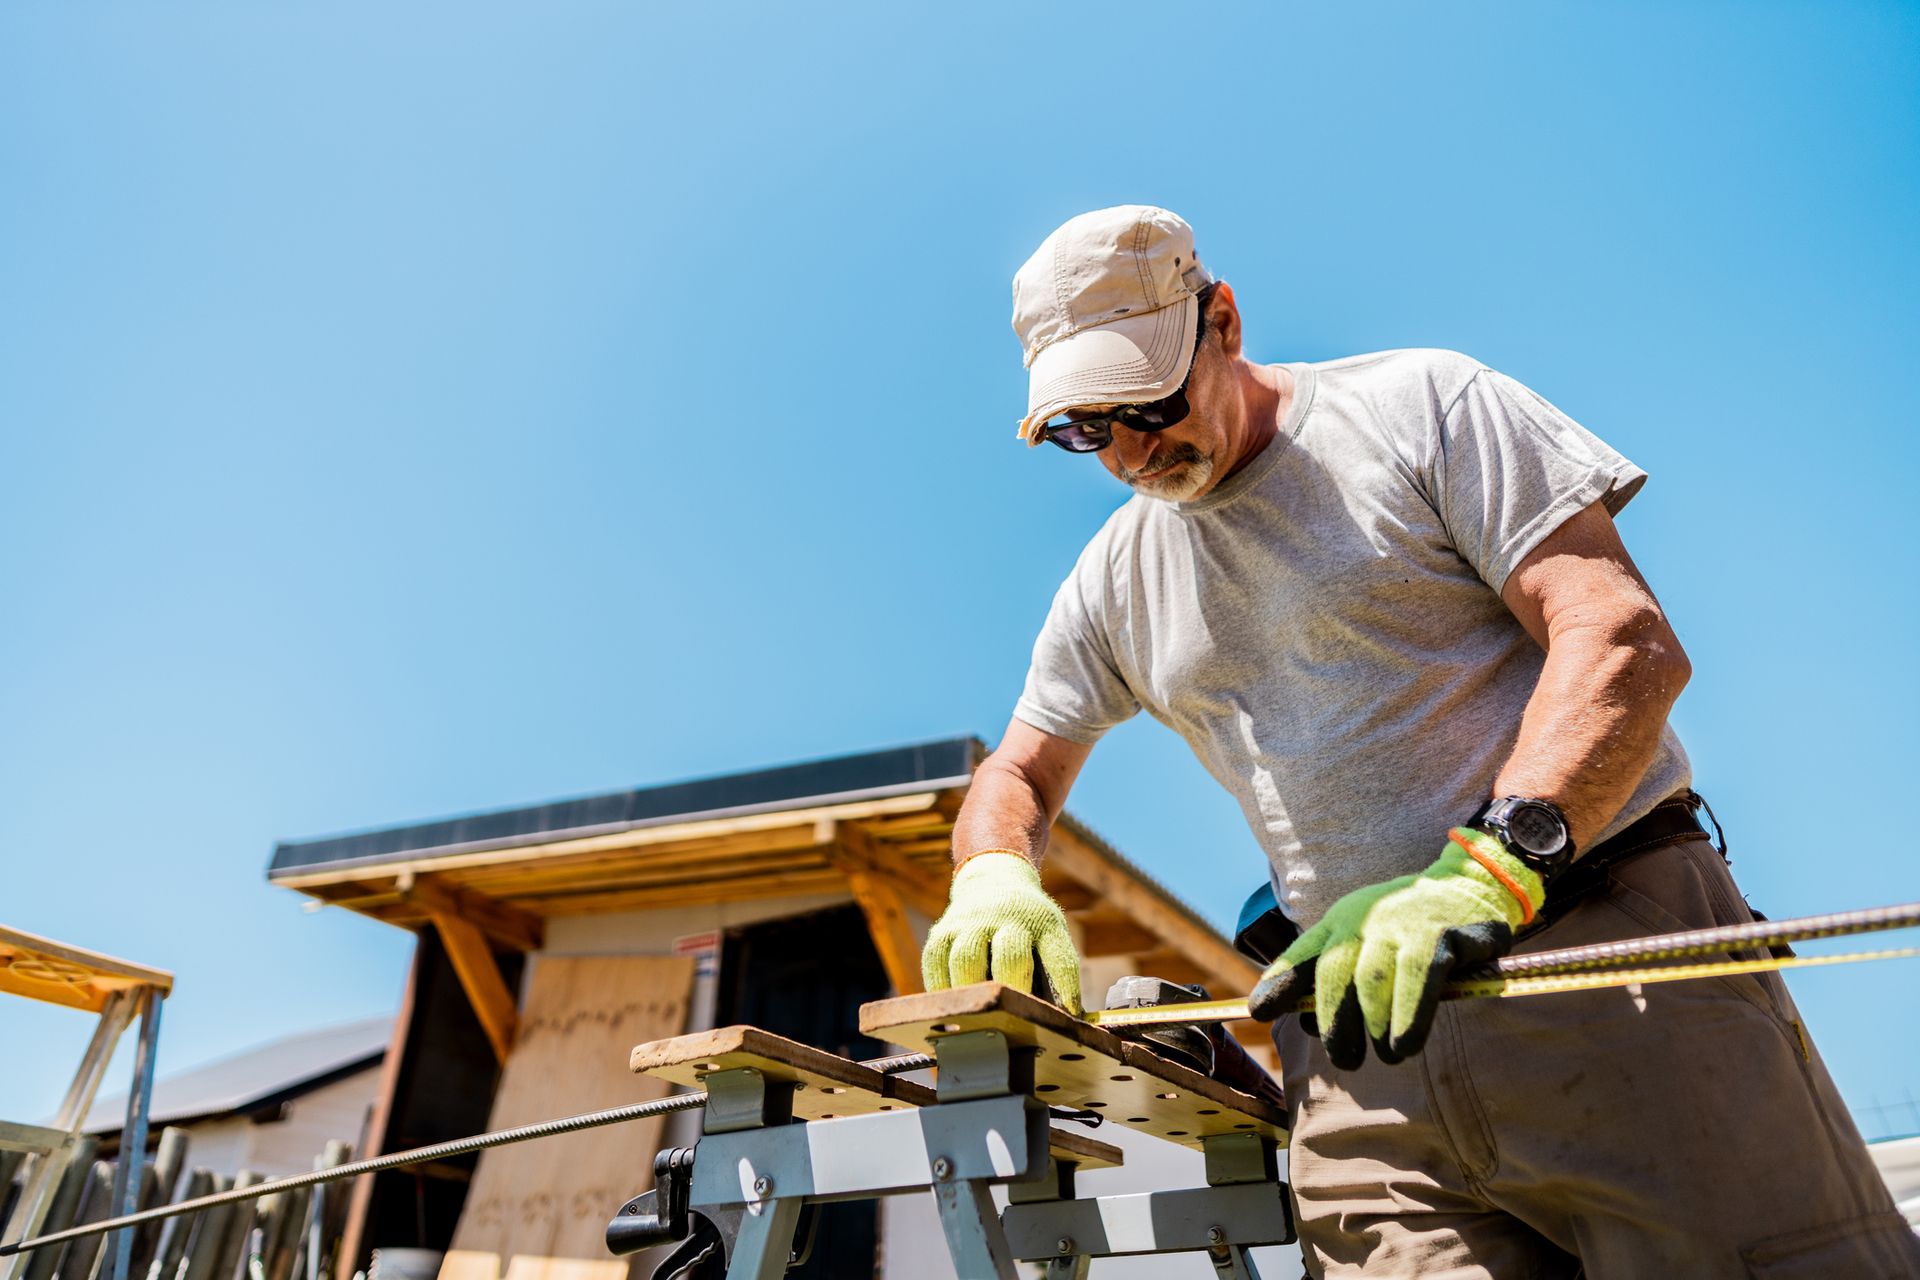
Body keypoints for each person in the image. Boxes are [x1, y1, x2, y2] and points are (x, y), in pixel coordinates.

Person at [919, 205, 1918, 1277]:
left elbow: (1622, 640)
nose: (1128, 449)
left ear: (1222, 320)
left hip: (1597, 965)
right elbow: (1018, 771)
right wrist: (991, 877)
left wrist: (1490, 867)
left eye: (1147, 401)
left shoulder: (1417, 408)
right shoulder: (1113, 580)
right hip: (1361, 1058)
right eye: (1084, 428)